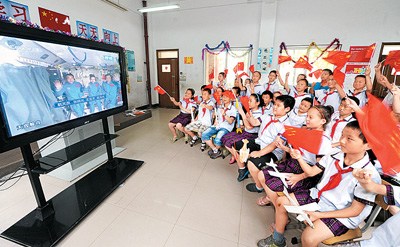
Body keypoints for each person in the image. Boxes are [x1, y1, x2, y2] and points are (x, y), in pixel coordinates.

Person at [257, 121, 381, 247]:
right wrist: (299, 157)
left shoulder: (369, 176)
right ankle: (277, 240)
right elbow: (311, 172)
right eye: (342, 135)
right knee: (280, 202)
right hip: (319, 197)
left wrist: (319, 215)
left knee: (309, 238)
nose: (342, 141)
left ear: (368, 145)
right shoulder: (334, 156)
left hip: (342, 213)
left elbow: (354, 211)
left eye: (349, 139)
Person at [259, 105, 333, 205]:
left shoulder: (324, 140)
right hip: (294, 163)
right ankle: (273, 200)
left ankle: (277, 206)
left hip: (306, 172)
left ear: (322, 121)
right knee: (262, 175)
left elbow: (317, 169)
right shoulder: (307, 132)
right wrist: (284, 148)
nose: (307, 119)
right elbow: (299, 153)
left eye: (311, 117)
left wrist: (300, 176)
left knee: (273, 184)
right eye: (307, 116)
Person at [234, 95, 295, 186]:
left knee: (252, 164)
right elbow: (254, 123)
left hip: (273, 151)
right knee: (237, 145)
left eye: (278, 105)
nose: (274, 107)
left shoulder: (288, 126)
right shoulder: (268, 115)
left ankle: (259, 186)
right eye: (274, 104)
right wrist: (245, 112)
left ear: (287, 109)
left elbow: (275, 144)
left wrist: (259, 153)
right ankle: (242, 169)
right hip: (259, 142)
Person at [222, 93, 263, 164]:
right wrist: (242, 126)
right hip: (245, 132)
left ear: (257, 103)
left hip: (252, 135)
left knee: (230, 142)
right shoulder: (249, 111)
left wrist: (242, 114)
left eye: (250, 101)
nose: (248, 102)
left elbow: (249, 127)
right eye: (248, 101)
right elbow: (246, 125)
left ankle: (239, 160)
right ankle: (235, 155)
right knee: (224, 138)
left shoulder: (259, 114)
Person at [202, 90, 237, 159]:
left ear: (230, 98)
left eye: (226, 97)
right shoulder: (220, 107)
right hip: (217, 125)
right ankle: (216, 150)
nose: (224, 98)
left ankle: (215, 150)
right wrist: (215, 118)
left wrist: (224, 114)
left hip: (226, 127)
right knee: (204, 134)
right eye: (223, 96)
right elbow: (216, 117)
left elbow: (230, 122)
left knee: (217, 140)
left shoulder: (233, 109)